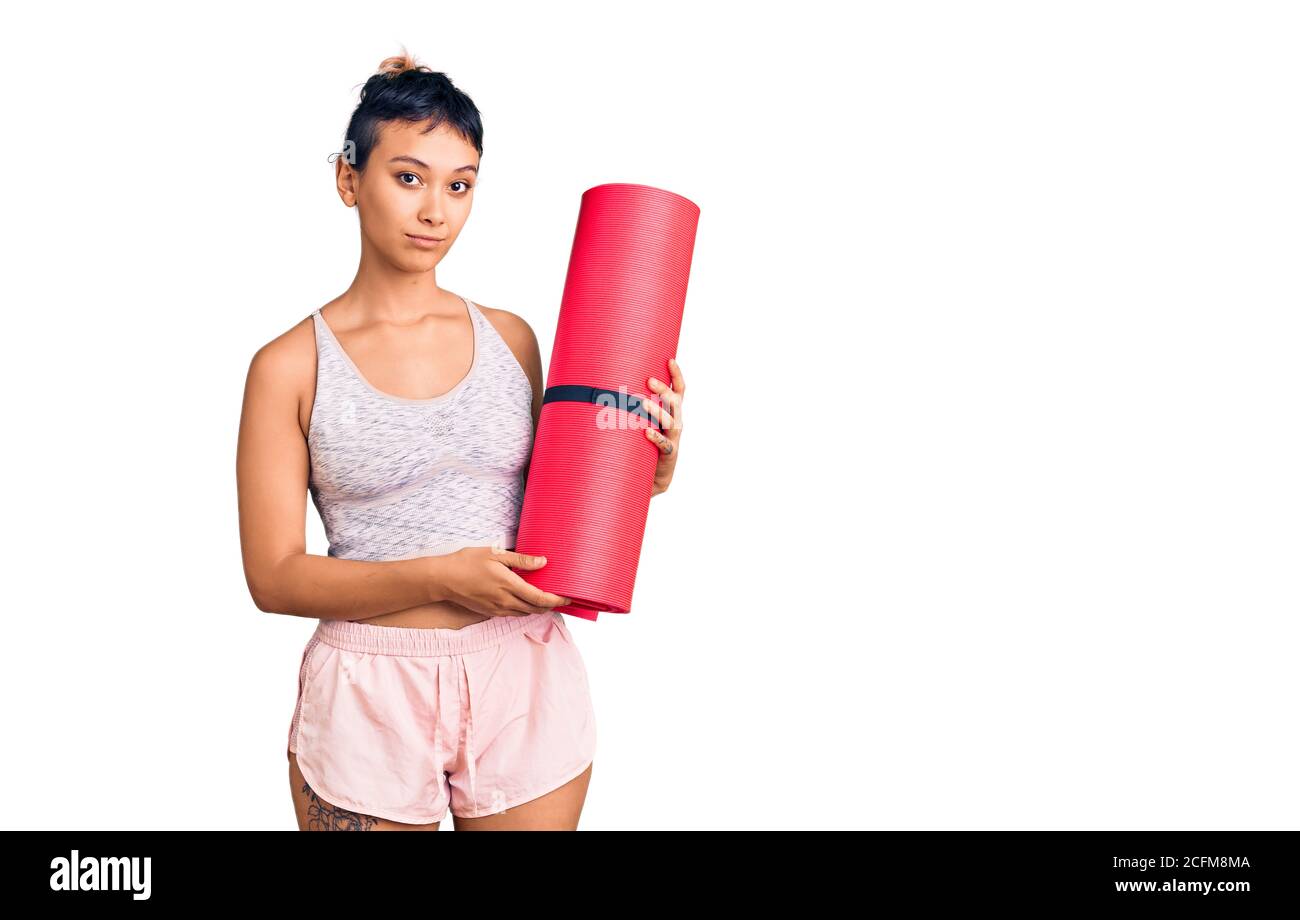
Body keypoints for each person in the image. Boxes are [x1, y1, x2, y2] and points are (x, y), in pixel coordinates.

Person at [235, 50, 685, 831]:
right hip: (372, 690)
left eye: (460, 184)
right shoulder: (289, 366)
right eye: (408, 177)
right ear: (349, 180)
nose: (435, 210)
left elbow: (562, 503)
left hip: (525, 671)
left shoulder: (511, 339)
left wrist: (647, 463)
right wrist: (443, 576)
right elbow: (274, 578)